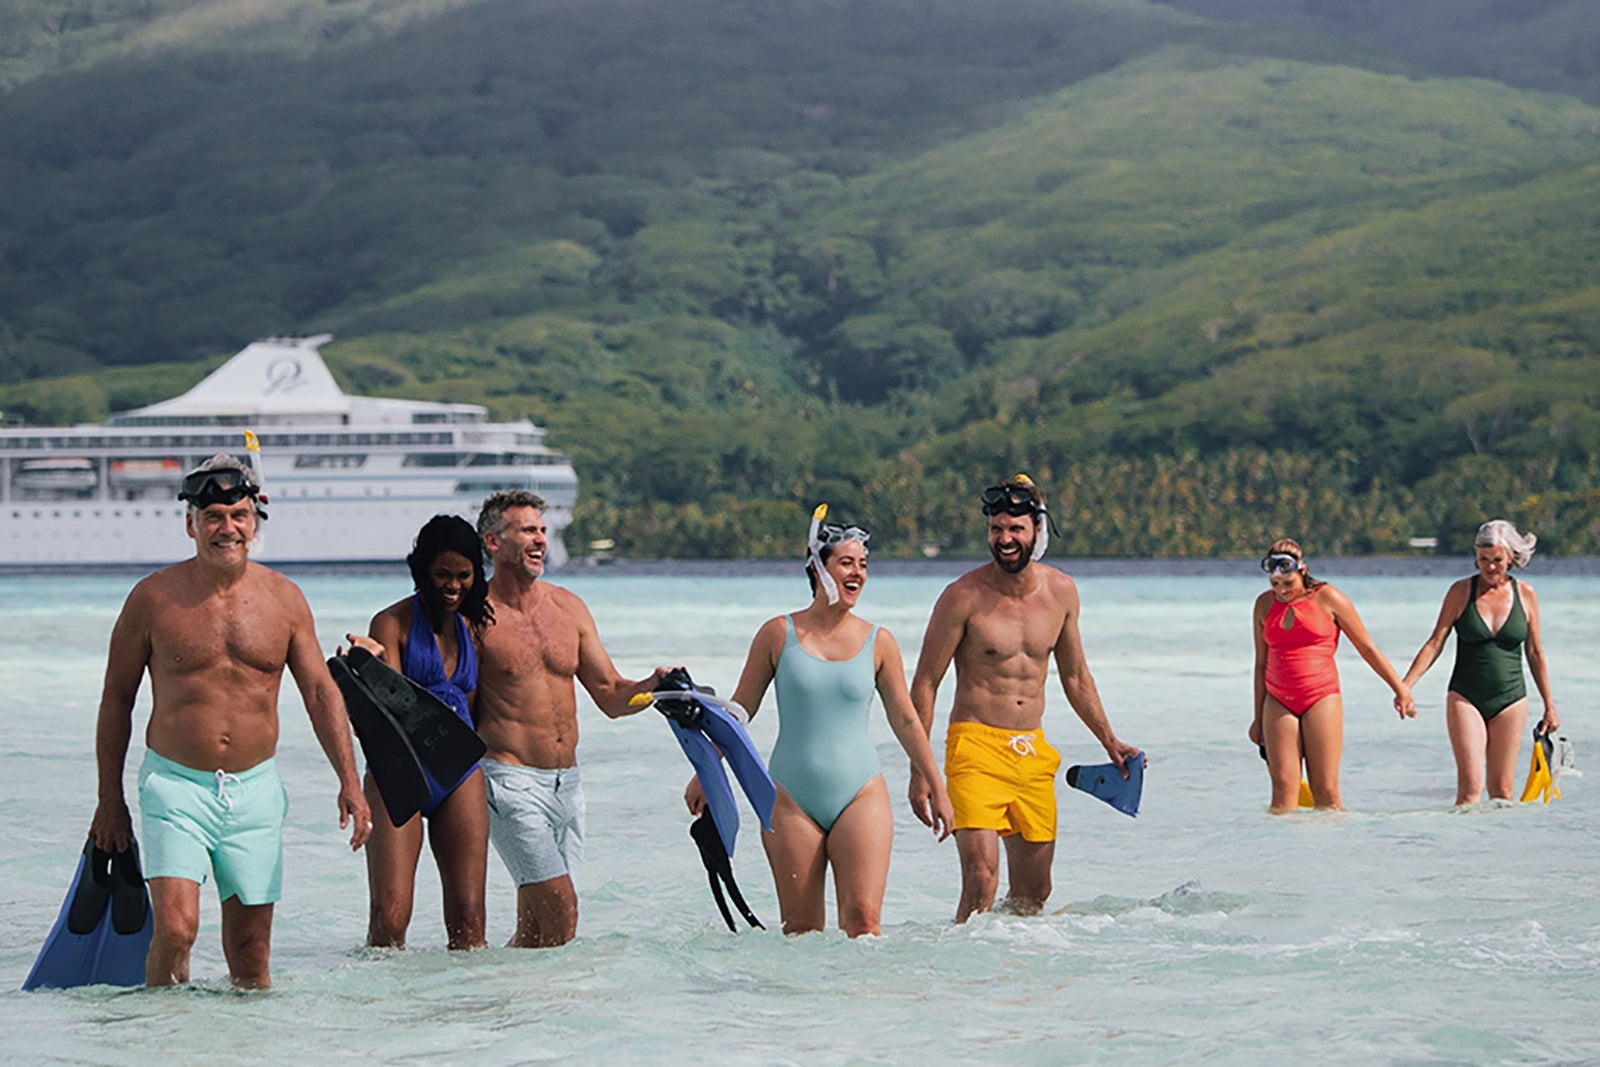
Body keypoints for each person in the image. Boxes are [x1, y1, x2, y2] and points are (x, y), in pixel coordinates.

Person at [88, 454, 371, 988]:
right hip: (175, 787)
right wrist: (109, 799)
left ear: (255, 521)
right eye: (213, 516)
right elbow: (116, 699)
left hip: (255, 792)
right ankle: (166, 1042)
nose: (227, 528)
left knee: (251, 954)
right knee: (175, 930)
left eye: (238, 515)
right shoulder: (152, 599)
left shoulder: (284, 599)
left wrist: (350, 783)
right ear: (190, 522)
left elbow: (318, 690)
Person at [686, 507, 955, 937]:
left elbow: (905, 719)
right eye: (846, 562)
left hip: (860, 793)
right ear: (818, 568)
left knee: (864, 923)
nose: (858, 573)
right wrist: (708, 769)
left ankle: (864, 1004)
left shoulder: (878, 641)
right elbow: (740, 710)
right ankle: (810, 1006)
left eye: (863, 565)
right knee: (801, 932)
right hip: (790, 799)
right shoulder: (778, 634)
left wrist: (937, 786)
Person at [909, 475, 1140, 923]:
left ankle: (1016, 981)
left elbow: (1075, 676)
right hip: (974, 748)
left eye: (1015, 529)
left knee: (1035, 893)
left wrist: (1110, 742)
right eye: (996, 530)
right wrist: (921, 771)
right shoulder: (962, 597)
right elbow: (925, 683)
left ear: (1037, 530)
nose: (1005, 539)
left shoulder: (1061, 593)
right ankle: (964, 978)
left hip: (1032, 751)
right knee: (982, 881)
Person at [474, 490, 670, 948]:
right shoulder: (475, 616)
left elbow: (610, 695)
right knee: (563, 911)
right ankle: (560, 1009)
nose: (540, 539)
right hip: (508, 782)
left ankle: (505, 1006)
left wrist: (654, 686)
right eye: (527, 530)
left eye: (542, 530)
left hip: (569, 786)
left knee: (537, 930)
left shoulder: (569, 607)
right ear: (493, 542)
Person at [359, 515, 493, 950]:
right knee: (391, 916)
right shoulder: (391, 624)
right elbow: (390, 713)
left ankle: (465, 1011)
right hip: (401, 772)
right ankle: (386, 1010)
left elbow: (472, 711)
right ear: (421, 571)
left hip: (458, 771)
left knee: (469, 920)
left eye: (463, 575)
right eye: (442, 575)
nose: (453, 586)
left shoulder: (472, 626)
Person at [1250, 538, 1414, 813]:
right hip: (1277, 701)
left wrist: (1400, 689)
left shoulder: (1328, 598)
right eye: (1275, 584)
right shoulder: (1264, 605)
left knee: (1325, 789)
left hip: (1320, 697)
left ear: (1302, 570)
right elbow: (1260, 664)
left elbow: (1367, 647)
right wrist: (1257, 718)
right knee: (1282, 790)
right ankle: (1279, 852)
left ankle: (1332, 851)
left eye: (1287, 584)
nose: (1281, 590)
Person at [1400, 520, 1558, 805]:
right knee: (1470, 788)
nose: (1490, 567)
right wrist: (1406, 686)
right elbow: (1435, 642)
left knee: (1502, 792)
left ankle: (1497, 848)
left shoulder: (1527, 595)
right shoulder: (1461, 592)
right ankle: (1460, 846)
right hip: (1466, 696)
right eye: (1483, 560)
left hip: (1511, 699)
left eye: (1497, 560)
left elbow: (1534, 653)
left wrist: (1550, 706)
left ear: (1511, 557)